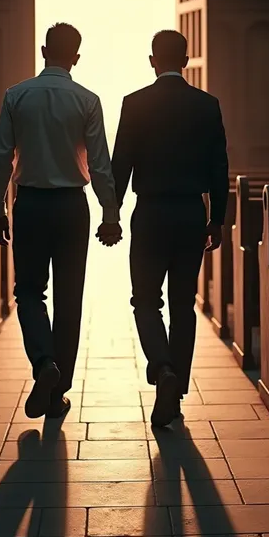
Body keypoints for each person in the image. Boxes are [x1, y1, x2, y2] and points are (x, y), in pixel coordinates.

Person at [0, 23, 122, 420]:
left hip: (29, 204)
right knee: (69, 299)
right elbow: (99, 164)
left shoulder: (17, 95)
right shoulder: (87, 99)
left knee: (29, 291)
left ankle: (44, 362)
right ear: (76, 57)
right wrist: (110, 215)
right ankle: (57, 391)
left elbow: (0, 159)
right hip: (70, 207)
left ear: (43, 50)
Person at [102, 30, 229, 427]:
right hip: (192, 213)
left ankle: (162, 368)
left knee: (144, 300)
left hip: (152, 212)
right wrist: (217, 219)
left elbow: (120, 163)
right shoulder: (207, 105)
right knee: (182, 303)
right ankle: (176, 392)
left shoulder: (135, 103)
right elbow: (220, 167)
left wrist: (112, 213)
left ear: (153, 60)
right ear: (186, 61)